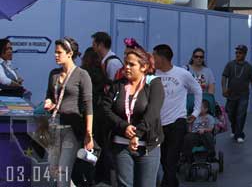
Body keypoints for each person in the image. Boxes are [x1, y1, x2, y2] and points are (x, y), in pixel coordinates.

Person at [103, 46, 164, 187]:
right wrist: (123, 126)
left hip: (147, 146)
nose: (127, 67)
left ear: (144, 67)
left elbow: (153, 112)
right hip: (121, 145)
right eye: (126, 63)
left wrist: (138, 133)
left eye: (132, 64)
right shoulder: (118, 85)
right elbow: (105, 109)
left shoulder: (154, 83)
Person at [44, 37, 94, 187]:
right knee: (53, 170)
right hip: (54, 126)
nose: (56, 55)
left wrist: (88, 133)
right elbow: (49, 95)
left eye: (59, 52)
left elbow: (88, 105)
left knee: (63, 172)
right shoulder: (54, 74)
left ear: (70, 53)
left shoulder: (82, 75)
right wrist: (48, 102)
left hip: (71, 129)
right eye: (55, 52)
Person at [153, 44, 202, 187]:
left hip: (177, 122)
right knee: (163, 160)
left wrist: (195, 112)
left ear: (162, 58)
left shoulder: (182, 74)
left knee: (171, 159)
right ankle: (172, 183)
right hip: (159, 124)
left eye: (154, 56)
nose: (152, 59)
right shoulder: (153, 74)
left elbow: (197, 90)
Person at [73, 47, 105, 187]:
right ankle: (93, 177)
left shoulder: (83, 75)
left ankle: (84, 178)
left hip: (84, 117)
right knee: (92, 150)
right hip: (99, 117)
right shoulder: (102, 76)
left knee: (81, 151)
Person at [222, 44, 252, 143]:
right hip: (231, 94)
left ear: (245, 54)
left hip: (244, 95)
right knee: (230, 113)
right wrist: (224, 89)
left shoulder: (249, 67)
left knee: (241, 114)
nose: (238, 54)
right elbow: (224, 76)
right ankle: (234, 129)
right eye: (236, 52)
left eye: (240, 53)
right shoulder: (230, 65)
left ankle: (239, 134)